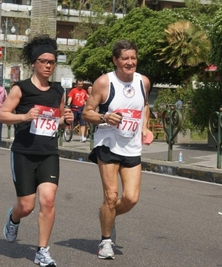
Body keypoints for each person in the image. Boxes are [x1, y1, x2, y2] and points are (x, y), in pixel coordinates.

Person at [0, 34, 73, 267]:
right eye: (43, 61)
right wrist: (25, 116)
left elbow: (58, 120)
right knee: (27, 206)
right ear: (34, 63)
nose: (48, 65)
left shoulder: (58, 91)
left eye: (52, 62)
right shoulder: (21, 88)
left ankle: (42, 251)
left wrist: (67, 119)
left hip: (48, 152)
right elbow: (2, 115)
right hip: (23, 152)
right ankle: (13, 218)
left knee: (48, 200)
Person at [82, 40, 152, 260]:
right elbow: (86, 113)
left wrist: (145, 125)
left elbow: (146, 105)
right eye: (125, 59)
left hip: (132, 146)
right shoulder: (104, 82)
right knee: (111, 196)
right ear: (115, 60)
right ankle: (105, 241)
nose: (130, 63)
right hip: (108, 144)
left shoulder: (144, 82)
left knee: (130, 199)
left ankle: (107, 215)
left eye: (133, 58)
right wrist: (105, 117)